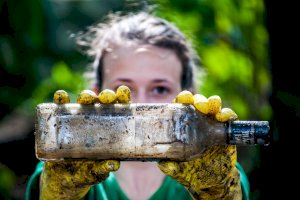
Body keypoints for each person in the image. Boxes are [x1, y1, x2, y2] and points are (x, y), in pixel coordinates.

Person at [26, 12, 250, 200]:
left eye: (160, 89)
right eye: (124, 89)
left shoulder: (217, 171)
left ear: (191, 100)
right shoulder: (64, 165)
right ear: (95, 95)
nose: (141, 104)